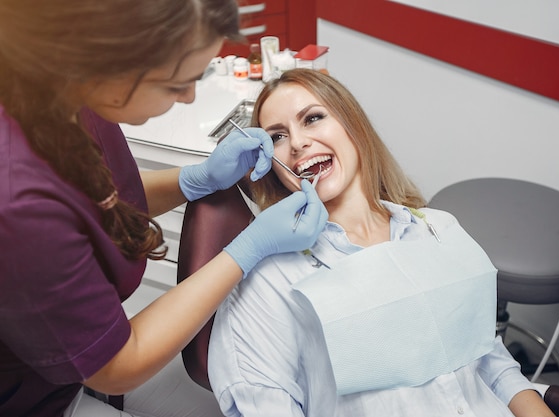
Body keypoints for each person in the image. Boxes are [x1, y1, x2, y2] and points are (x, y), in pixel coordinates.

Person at [0, 2, 327, 416]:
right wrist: (248, 250)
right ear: (107, 65)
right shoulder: (16, 204)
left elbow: (95, 193)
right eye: (177, 84)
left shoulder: (69, 91)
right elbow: (116, 365)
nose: (190, 96)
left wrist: (197, 178)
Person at [207, 68, 557, 417]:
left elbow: (489, 362)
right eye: (278, 137)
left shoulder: (436, 230)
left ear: (353, 125)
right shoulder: (268, 281)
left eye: (312, 118)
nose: (297, 143)